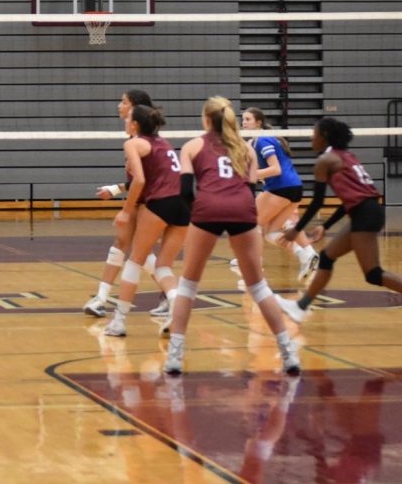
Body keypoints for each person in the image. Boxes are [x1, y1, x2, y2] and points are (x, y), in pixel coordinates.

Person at [163, 97, 300, 377]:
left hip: (208, 207)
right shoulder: (245, 147)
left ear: (205, 119)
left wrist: (202, 214)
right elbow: (250, 187)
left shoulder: (192, 146)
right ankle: (288, 353)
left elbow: (186, 191)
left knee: (188, 285)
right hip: (242, 207)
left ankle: (175, 357)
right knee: (259, 287)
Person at [275, 117, 402, 328]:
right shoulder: (347, 156)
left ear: (325, 136)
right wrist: (325, 226)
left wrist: (296, 230)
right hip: (366, 210)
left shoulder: (325, 161)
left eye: (315, 133)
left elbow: (318, 201)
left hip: (365, 213)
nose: (312, 137)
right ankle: (301, 307)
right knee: (327, 257)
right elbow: (351, 199)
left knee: (373, 274)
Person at [103, 104, 188, 337]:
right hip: (184, 205)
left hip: (161, 203)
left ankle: (119, 322)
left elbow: (139, 180)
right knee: (163, 266)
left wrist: (126, 211)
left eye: (127, 117)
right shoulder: (164, 144)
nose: (124, 121)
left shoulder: (132, 143)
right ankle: (175, 304)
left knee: (134, 261)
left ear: (135, 124)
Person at [85, 89, 169, 318]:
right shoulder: (138, 139)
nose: (118, 106)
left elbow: (144, 179)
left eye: (123, 102)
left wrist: (125, 210)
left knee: (136, 250)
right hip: (150, 199)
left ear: (134, 110)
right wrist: (115, 189)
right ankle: (101, 299)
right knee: (124, 243)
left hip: (153, 202)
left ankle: (171, 294)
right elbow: (138, 179)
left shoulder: (141, 141)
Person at [241, 107, 318, 280]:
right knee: (271, 233)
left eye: (248, 119)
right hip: (294, 188)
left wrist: (253, 175)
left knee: (254, 225)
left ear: (258, 122)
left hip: (281, 187)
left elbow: (275, 169)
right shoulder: (254, 142)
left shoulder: (263, 140)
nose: (244, 122)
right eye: (243, 119)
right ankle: (307, 254)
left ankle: (254, 266)